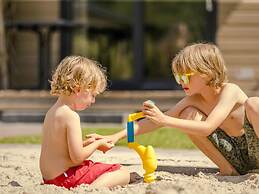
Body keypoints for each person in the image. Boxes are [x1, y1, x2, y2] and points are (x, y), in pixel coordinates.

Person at [87, 43, 259, 176]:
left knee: (254, 103)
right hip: (233, 157)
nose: (180, 82)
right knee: (188, 114)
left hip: (255, 149)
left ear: (206, 73)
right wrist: (114, 137)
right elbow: (153, 122)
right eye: (177, 76)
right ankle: (228, 171)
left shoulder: (230, 91)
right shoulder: (193, 100)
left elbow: (208, 127)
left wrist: (164, 120)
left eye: (185, 76)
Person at [40, 56, 130, 189]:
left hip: (50, 179)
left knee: (96, 166)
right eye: (93, 95)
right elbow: (77, 158)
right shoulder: (71, 116)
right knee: (122, 172)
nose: (93, 101)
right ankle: (91, 190)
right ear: (78, 89)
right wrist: (98, 143)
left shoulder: (52, 112)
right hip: (66, 177)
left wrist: (87, 144)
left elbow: (60, 150)